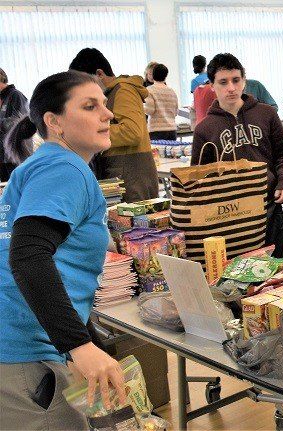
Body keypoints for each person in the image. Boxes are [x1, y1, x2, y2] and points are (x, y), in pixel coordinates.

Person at [0, 71, 128, 431]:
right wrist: (79, 345)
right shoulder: (64, 167)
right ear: (54, 122)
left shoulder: (41, 165)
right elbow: (27, 255)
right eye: (90, 106)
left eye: (105, 104)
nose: (108, 114)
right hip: (24, 352)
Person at [190, 53, 283, 258]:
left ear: (244, 81)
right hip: (230, 217)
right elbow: (197, 178)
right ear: (212, 86)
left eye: (236, 80)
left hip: (269, 207)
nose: (231, 87)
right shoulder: (204, 129)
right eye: (223, 82)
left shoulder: (266, 114)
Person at [69, 48, 159, 202]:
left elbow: (132, 131)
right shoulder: (109, 94)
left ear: (99, 74)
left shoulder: (123, 90)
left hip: (132, 176)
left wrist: (91, 134)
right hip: (120, 173)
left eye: (84, 82)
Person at [0, 68, 29, 181]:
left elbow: (20, 122)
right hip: (3, 159)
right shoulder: (2, 99)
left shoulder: (16, 96)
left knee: (19, 191)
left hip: (15, 156)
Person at [144, 63, 179, 141]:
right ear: (165, 76)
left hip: (156, 130)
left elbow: (150, 110)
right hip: (172, 130)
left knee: (157, 153)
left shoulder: (149, 90)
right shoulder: (172, 91)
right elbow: (176, 112)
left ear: (153, 75)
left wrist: (141, 106)